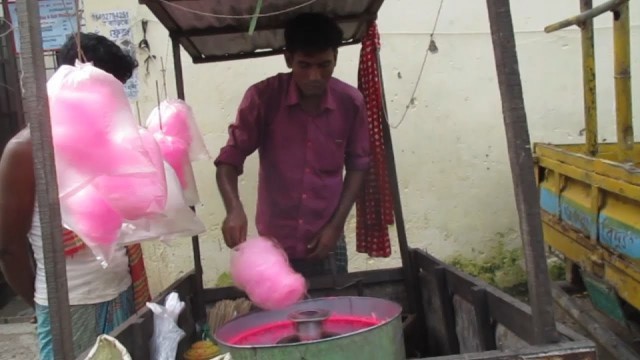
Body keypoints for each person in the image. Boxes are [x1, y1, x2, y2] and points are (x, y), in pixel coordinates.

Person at [0, 32, 149, 359]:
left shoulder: (109, 144)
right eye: (110, 91)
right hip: (69, 304)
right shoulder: (26, 151)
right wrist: (50, 306)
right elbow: (8, 248)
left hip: (121, 293)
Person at [214, 13, 371, 278]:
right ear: (288, 59)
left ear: (335, 58)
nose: (314, 76)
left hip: (327, 241)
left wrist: (335, 226)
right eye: (304, 65)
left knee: (332, 315)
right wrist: (233, 209)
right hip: (274, 245)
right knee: (278, 316)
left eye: (324, 65)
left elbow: (358, 166)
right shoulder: (263, 98)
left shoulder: (351, 103)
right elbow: (229, 161)